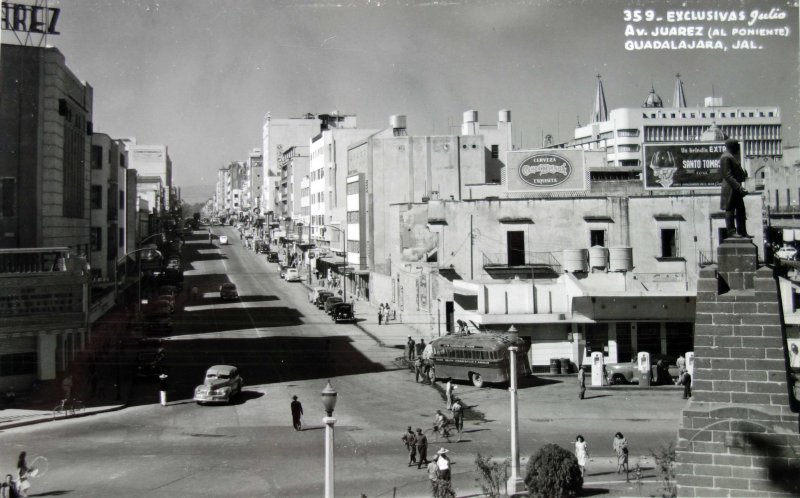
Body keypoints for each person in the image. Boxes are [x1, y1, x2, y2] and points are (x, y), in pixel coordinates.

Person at [720, 138, 749, 238]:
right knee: (730, 209)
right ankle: (731, 231)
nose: (738, 147)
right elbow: (728, 175)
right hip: (730, 188)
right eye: (736, 145)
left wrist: (743, 174)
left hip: (735, 188)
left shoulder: (730, 156)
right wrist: (739, 187)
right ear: (732, 146)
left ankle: (742, 231)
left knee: (741, 209)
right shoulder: (725, 157)